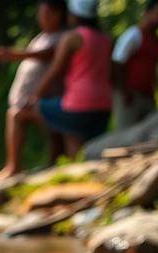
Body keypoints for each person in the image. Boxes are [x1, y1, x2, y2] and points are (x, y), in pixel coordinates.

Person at [0, 0, 70, 180]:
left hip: (47, 100)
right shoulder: (41, 37)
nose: (41, 18)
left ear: (58, 15)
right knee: (14, 115)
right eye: (40, 14)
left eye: (45, 14)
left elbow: (48, 54)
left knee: (50, 129)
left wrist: (16, 55)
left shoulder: (64, 37)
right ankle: (13, 166)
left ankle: (56, 164)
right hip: (29, 101)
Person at [28, 0, 114, 157]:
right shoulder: (106, 39)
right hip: (104, 105)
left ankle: (57, 157)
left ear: (74, 14)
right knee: (84, 136)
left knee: (42, 110)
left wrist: (36, 95)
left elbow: (56, 69)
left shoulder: (73, 37)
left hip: (78, 104)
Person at [112, 0, 158, 129]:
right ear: (147, 12)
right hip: (130, 96)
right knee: (126, 136)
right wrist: (124, 92)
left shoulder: (156, 40)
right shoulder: (133, 35)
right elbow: (117, 63)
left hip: (147, 96)